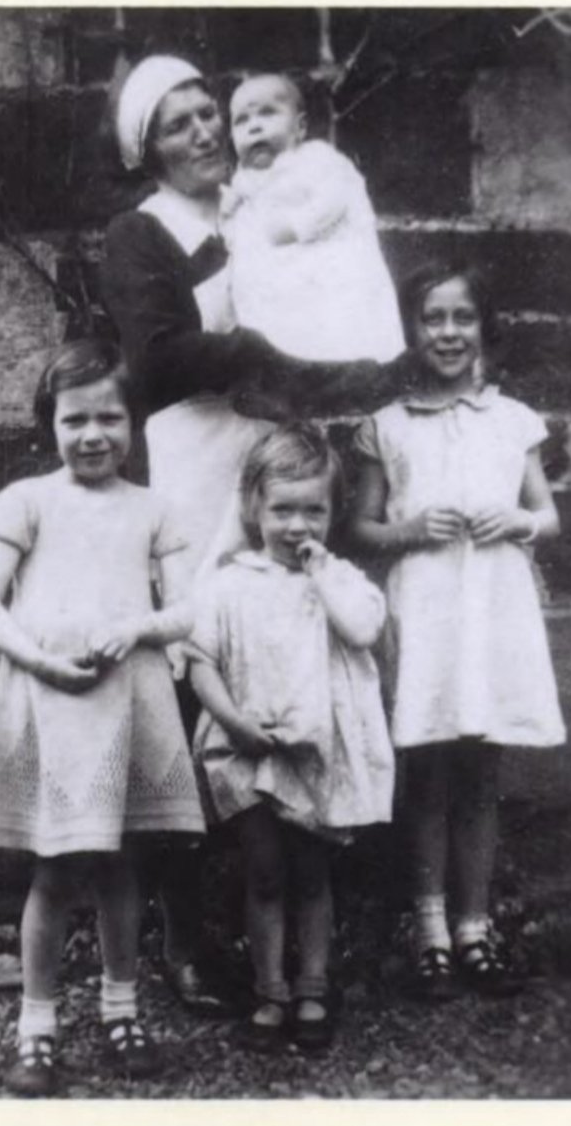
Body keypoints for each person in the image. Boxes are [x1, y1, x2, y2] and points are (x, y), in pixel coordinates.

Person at [102, 54, 410, 1011]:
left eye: (210, 116)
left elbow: (339, 283)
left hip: (278, 477)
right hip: (197, 480)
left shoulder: (270, 199)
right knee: (201, 697)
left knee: (302, 678)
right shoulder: (140, 234)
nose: (205, 134)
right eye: (179, 125)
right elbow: (152, 363)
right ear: (146, 149)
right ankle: (189, 937)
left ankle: (305, 934)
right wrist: (259, 352)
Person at [0, 339, 204, 1095]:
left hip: (127, 696)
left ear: (134, 423)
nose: (93, 433)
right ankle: (36, 1027)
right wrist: (36, 660)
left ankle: (121, 1008)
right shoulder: (27, 500)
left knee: (120, 862)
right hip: (53, 699)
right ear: (51, 425)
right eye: (75, 419)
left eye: (110, 416)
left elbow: (193, 608)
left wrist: (137, 627)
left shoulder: (154, 508)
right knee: (55, 864)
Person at [349, 260, 566, 1000]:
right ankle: (429, 926)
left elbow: (547, 513)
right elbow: (361, 526)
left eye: (460, 317)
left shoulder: (512, 419)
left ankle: (475, 924)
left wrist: (520, 519)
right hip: (428, 607)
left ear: (482, 326)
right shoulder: (387, 424)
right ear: (410, 330)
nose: (446, 331)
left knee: (481, 770)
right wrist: (407, 528)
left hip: (492, 608)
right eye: (432, 318)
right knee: (427, 772)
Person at [186, 425, 395, 1052]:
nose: (297, 525)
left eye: (314, 510)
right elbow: (200, 661)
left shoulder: (342, 580)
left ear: (332, 512)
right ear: (253, 507)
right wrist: (233, 721)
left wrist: (323, 572)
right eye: (282, 509)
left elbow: (361, 629)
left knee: (310, 873)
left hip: (315, 753)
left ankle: (312, 987)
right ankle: (269, 990)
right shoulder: (228, 583)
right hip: (248, 751)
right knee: (265, 872)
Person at [222, 72, 405, 362]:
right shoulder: (244, 181)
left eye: (267, 114)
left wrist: (297, 227)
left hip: (330, 274)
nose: (254, 127)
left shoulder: (317, 159)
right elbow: (239, 231)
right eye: (241, 120)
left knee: (339, 332)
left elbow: (337, 198)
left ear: (300, 127)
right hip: (285, 292)